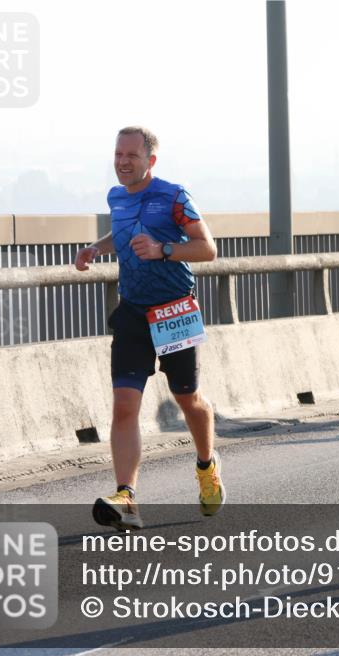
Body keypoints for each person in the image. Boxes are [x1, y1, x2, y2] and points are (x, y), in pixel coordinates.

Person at [74, 126, 223, 530]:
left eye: (132, 156)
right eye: (118, 154)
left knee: (187, 398)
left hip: (174, 310)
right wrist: (97, 248)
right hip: (133, 312)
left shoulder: (175, 196)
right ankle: (126, 496)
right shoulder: (116, 196)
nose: (123, 162)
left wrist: (164, 250)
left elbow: (207, 248)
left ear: (150, 160)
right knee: (124, 404)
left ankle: (207, 466)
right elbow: (121, 234)